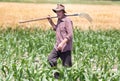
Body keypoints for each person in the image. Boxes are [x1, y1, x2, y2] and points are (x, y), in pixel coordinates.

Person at [47, 4, 73, 79]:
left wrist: (62, 44)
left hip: (65, 48)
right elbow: (56, 28)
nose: (57, 13)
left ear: (63, 12)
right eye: (56, 12)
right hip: (58, 47)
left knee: (67, 69)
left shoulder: (67, 20)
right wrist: (50, 21)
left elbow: (70, 35)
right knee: (51, 59)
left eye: (59, 12)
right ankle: (57, 77)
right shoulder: (59, 19)